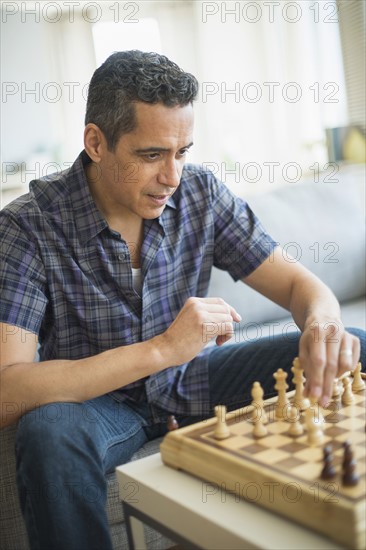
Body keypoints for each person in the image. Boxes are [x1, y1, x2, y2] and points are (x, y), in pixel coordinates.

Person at [0, 50, 364, 549]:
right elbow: (8, 390)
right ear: (95, 143)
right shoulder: (27, 227)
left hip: (195, 381)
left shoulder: (199, 194)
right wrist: (163, 349)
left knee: (354, 345)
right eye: (151, 155)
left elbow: (302, 287)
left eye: (183, 152)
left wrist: (323, 323)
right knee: (48, 434)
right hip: (100, 403)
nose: (171, 177)